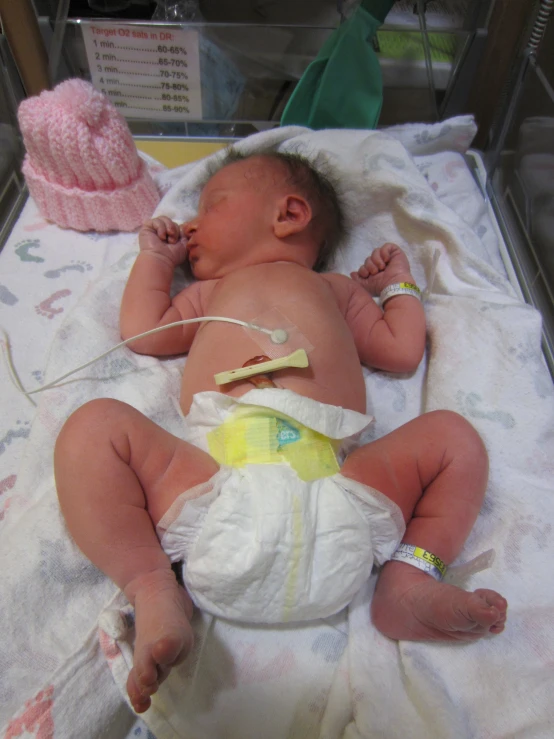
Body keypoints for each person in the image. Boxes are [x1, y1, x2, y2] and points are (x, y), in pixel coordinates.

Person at [54, 150, 507, 714]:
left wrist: (399, 287)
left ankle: (409, 580)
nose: (190, 226)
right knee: (92, 428)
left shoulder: (336, 290)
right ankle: (151, 586)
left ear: (289, 215)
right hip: (215, 486)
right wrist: (153, 260)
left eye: (212, 206)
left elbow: (402, 350)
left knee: (456, 440)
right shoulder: (208, 295)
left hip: (336, 484)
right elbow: (143, 332)